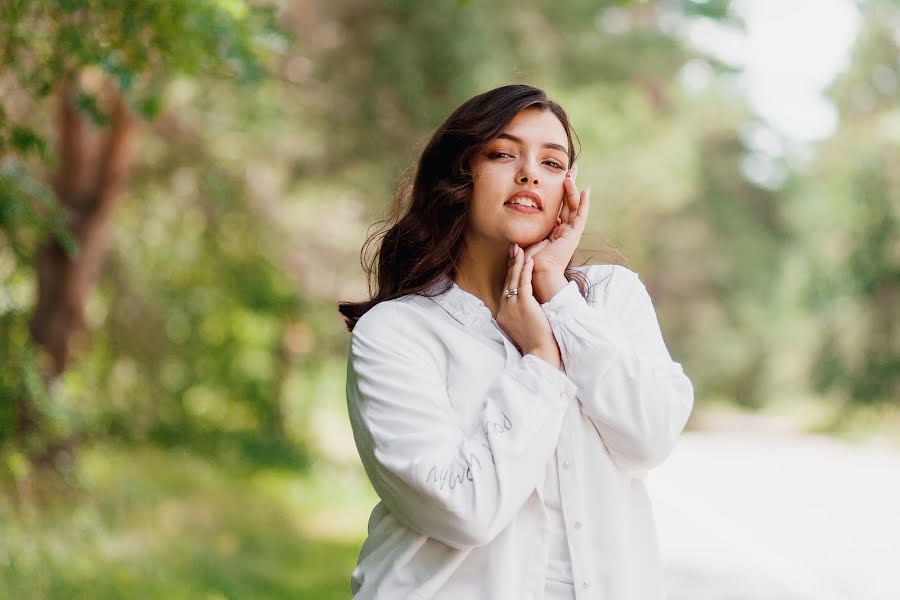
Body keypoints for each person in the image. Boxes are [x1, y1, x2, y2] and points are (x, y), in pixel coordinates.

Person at [337, 84, 694, 600]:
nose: (529, 173)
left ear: (567, 192)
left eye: (552, 163)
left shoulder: (611, 298)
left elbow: (652, 434)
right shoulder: (398, 332)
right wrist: (541, 362)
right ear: (458, 176)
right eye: (503, 154)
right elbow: (465, 510)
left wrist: (557, 299)